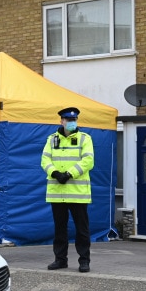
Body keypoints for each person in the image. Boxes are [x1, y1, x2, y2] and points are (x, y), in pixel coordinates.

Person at [40, 107, 94, 272]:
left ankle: (84, 261)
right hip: (57, 193)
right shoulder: (51, 139)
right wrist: (54, 172)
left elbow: (88, 161)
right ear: (61, 121)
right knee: (59, 229)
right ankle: (60, 260)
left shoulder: (84, 139)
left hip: (78, 193)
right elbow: (44, 160)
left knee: (82, 230)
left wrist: (69, 174)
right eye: (68, 120)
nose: (71, 123)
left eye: (74, 120)